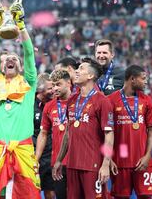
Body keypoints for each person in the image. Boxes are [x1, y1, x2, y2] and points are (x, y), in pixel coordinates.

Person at [0, 3, 41, 198]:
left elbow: (29, 54)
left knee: (27, 194)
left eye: (15, 59)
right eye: (7, 59)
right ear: (1, 67)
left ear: (20, 66)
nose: (11, 59)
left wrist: (21, 26)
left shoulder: (29, 83)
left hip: (24, 149)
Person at [52, 58, 114, 198]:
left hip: (93, 165)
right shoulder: (72, 100)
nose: (76, 71)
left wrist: (105, 165)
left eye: (80, 69)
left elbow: (109, 135)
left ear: (90, 76)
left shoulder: (102, 101)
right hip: (73, 165)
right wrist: (59, 159)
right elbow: (68, 133)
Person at [108, 65, 152, 198]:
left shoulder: (147, 100)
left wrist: (147, 156)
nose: (146, 81)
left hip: (143, 161)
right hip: (119, 162)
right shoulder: (111, 100)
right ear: (132, 79)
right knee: (120, 197)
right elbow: (105, 133)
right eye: (143, 78)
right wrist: (109, 159)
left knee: (146, 196)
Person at [35, 70, 72, 199]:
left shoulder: (78, 101)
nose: (55, 89)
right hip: (57, 162)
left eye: (58, 84)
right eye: (53, 85)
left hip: (76, 162)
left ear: (68, 83)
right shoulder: (49, 106)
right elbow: (43, 133)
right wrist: (36, 158)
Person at [32, 73, 54, 199]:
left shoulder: (55, 104)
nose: (53, 91)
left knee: (50, 191)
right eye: (50, 88)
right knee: (32, 191)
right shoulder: (29, 105)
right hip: (33, 154)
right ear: (40, 89)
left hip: (50, 154)